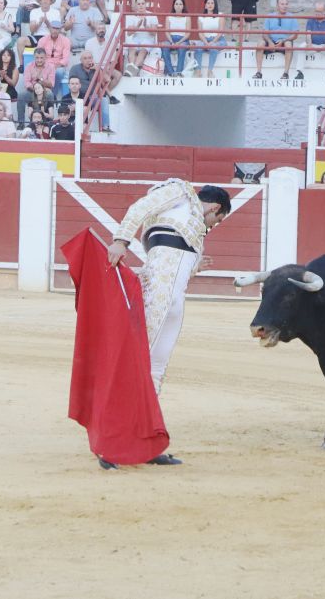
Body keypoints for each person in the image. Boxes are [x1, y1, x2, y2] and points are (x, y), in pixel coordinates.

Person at [103, 180, 233, 469]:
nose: (213, 225)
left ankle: (147, 442)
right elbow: (140, 208)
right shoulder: (180, 194)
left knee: (156, 370)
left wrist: (196, 265)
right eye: (217, 219)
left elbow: (175, 258)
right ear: (214, 207)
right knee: (138, 364)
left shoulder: (195, 232)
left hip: (174, 299)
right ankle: (112, 442)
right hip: (158, 295)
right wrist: (121, 240)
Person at [256, 0, 300, 80]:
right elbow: (264, 33)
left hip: (284, 41)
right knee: (260, 43)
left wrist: (284, 40)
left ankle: (285, 73)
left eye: (286, 4)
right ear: (277, 5)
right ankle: (258, 72)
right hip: (271, 41)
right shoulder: (269, 16)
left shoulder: (292, 17)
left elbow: (295, 34)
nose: (285, 6)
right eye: (282, 4)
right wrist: (269, 42)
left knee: (288, 44)